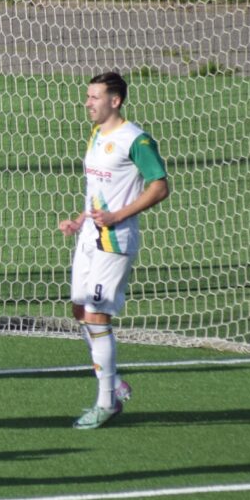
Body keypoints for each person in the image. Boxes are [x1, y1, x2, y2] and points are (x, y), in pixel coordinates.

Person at [58, 71, 170, 429]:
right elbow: (97, 189)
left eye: (95, 97)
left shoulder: (136, 140)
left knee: (96, 315)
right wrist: (80, 220)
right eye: (88, 96)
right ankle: (113, 378)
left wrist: (118, 216)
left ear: (115, 100)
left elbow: (160, 186)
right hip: (89, 238)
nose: (87, 103)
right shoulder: (96, 134)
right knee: (80, 307)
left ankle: (106, 402)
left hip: (115, 241)